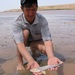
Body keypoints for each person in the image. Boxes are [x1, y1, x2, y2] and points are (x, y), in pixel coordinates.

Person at [12, 0, 63, 75]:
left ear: (37, 8)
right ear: (22, 9)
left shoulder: (42, 20)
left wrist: (51, 57)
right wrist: (30, 60)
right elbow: (20, 44)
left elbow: (47, 40)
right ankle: (20, 62)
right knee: (25, 33)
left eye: (33, 9)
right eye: (27, 10)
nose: (30, 13)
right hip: (23, 41)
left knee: (48, 51)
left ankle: (34, 51)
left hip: (36, 41)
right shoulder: (17, 22)